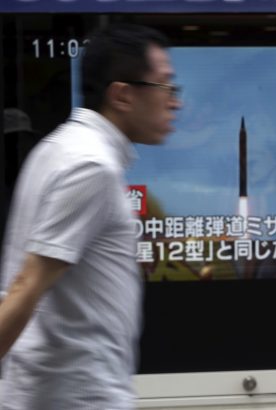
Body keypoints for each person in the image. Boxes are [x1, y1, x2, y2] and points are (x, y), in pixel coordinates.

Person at [0, 23, 180, 409]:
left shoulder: (57, 149)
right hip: (77, 398)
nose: (175, 101)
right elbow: (26, 286)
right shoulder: (91, 166)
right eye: (166, 86)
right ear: (123, 95)